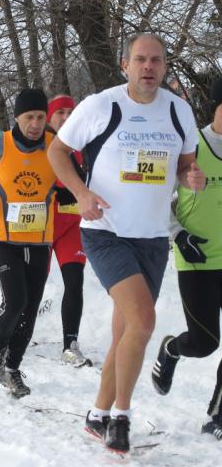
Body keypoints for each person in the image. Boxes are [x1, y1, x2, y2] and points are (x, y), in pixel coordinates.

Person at [47, 33, 205, 454]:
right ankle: (121, 416)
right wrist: (81, 194)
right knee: (144, 321)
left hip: (152, 237)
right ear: (125, 65)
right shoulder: (103, 105)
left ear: (165, 66)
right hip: (106, 231)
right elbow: (57, 152)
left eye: (156, 60)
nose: (148, 67)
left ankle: (97, 413)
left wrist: (191, 177)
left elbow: (186, 165)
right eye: (140, 60)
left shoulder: (179, 112)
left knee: (127, 332)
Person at [0, 88, 56, 398]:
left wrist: (72, 191)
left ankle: (12, 368)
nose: (35, 123)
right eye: (29, 117)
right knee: (16, 300)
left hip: (40, 237)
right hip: (3, 234)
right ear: (16, 118)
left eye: (40, 117)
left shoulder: (54, 145)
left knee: (30, 307)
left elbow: (74, 174)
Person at [151, 78, 222, 441]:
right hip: (198, 258)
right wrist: (178, 234)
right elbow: (157, 195)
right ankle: (172, 348)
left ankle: (219, 414)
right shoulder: (192, 145)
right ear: (215, 107)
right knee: (206, 342)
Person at [46, 95, 90, 366]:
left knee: (75, 282)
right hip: (41, 225)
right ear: (49, 117)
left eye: (69, 112)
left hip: (72, 225)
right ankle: (14, 330)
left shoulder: (83, 145)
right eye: (59, 112)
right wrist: (55, 193)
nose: (65, 117)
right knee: (31, 284)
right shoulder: (41, 143)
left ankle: (69, 343)